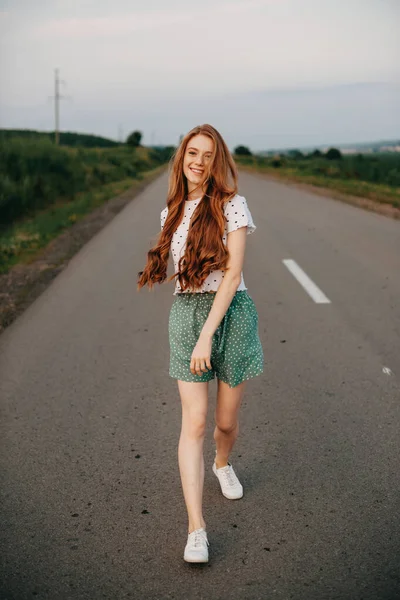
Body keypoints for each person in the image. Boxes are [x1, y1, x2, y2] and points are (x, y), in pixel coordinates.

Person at [137, 123, 264, 564]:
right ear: (182, 157)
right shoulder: (170, 210)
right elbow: (179, 269)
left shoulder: (233, 205)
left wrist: (208, 334)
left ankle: (222, 463)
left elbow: (231, 275)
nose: (199, 161)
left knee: (225, 423)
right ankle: (196, 529)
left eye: (208, 155)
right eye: (193, 152)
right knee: (194, 422)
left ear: (217, 161)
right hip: (185, 314)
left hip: (231, 314)